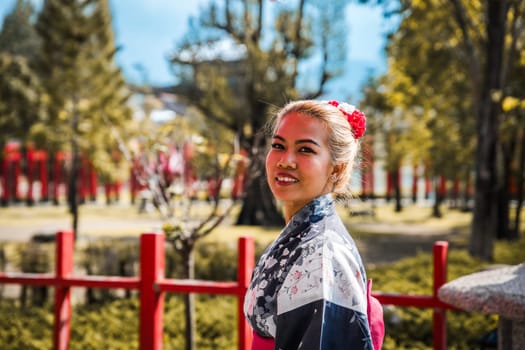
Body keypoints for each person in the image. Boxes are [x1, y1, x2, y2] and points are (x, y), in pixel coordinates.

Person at [244, 99, 384, 350]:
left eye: (305, 150)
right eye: (278, 145)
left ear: (336, 169)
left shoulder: (321, 252)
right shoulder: (304, 236)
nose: (286, 160)